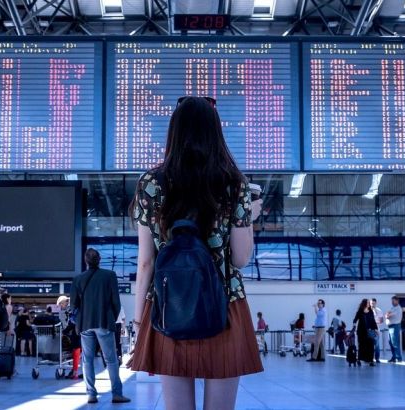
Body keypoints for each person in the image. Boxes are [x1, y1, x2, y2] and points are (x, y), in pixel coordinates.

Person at [128, 96, 263, 410]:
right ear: (215, 132)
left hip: (168, 305)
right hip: (224, 306)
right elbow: (241, 259)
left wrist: (138, 322)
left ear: (174, 132)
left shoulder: (151, 183)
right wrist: (248, 220)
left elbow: (146, 261)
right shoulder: (234, 184)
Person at [70, 248, 129, 405]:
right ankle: (117, 394)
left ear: (85, 261)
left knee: (87, 360)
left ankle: (91, 394)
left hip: (85, 324)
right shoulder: (109, 276)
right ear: (99, 259)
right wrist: (112, 319)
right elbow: (116, 302)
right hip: (104, 322)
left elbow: (73, 305)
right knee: (111, 360)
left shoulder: (78, 279)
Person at [353, 299, 378, 366]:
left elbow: (373, 321)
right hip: (361, 331)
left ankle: (370, 360)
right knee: (361, 345)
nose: (369, 304)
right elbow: (355, 319)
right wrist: (354, 326)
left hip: (369, 331)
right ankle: (359, 359)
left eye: (369, 303)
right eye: (367, 303)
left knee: (370, 345)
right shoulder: (360, 311)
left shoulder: (370, 311)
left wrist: (376, 329)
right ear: (364, 303)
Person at [386, 296, 403, 363]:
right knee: (390, 342)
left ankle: (399, 358)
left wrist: (388, 315)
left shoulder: (398, 308)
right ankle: (394, 357)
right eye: (391, 301)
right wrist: (388, 314)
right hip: (390, 327)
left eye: (393, 301)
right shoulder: (392, 308)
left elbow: (389, 315)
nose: (392, 302)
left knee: (395, 343)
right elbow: (387, 314)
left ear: (397, 301)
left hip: (395, 326)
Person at [371, 298, 386, 363]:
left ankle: (377, 358)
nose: (372, 305)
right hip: (369, 330)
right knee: (369, 345)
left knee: (377, 345)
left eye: (373, 303)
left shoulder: (379, 310)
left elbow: (382, 320)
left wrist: (376, 322)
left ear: (376, 303)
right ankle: (370, 358)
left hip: (376, 330)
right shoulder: (367, 310)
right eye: (371, 303)